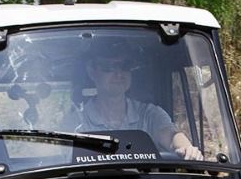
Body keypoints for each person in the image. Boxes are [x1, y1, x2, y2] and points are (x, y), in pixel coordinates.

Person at [70, 43, 204, 160]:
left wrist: (186, 148)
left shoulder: (150, 114)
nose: (119, 74)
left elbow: (171, 136)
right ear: (91, 72)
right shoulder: (75, 121)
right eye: (108, 67)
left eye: (125, 66)